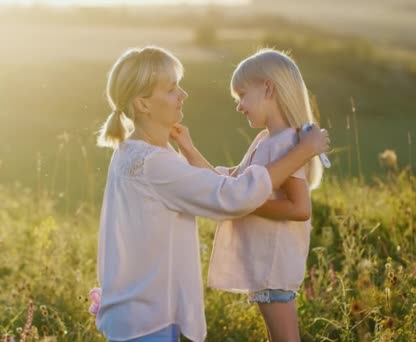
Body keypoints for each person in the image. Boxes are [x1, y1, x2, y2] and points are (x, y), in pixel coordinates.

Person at [92, 46, 329, 342]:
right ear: (143, 104)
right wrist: (305, 150)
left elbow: (214, 185)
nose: (183, 95)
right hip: (147, 319)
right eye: (171, 88)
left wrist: (189, 150)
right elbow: (232, 196)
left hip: (138, 313)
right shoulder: (154, 163)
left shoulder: (134, 152)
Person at [205, 48, 324, 342]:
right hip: (263, 265)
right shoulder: (265, 140)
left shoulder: (286, 143)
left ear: (268, 88)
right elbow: (235, 178)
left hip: (273, 265)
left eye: (242, 95)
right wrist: (188, 151)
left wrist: (247, 202)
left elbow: (299, 208)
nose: (239, 106)